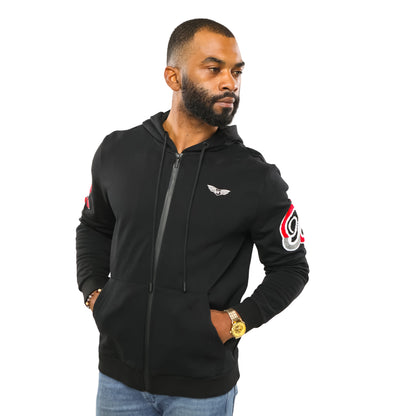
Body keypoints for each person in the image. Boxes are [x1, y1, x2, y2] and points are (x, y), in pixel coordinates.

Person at [76, 18, 309, 416]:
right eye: (214, 69)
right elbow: (94, 226)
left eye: (236, 72)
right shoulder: (118, 151)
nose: (230, 83)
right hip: (117, 379)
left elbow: (291, 267)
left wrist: (237, 321)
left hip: (201, 392)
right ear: (174, 77)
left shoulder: (255, 176)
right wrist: (94, 292)